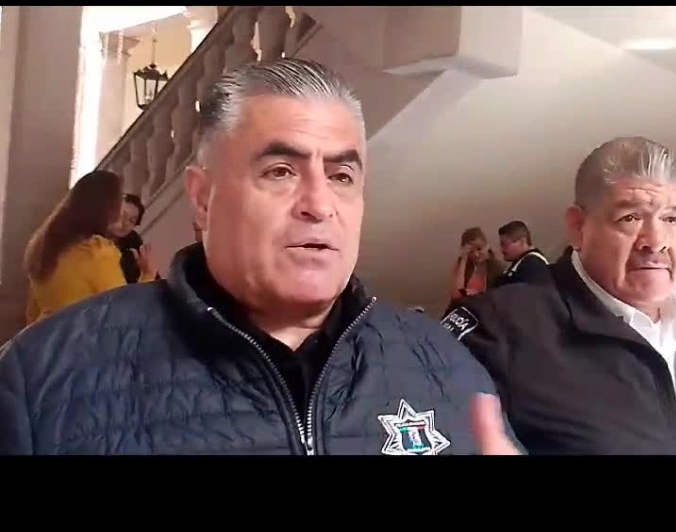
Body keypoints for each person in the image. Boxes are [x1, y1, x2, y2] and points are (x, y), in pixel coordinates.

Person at [0, 58, 519, 456]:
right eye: (280, 171)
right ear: (203, 198)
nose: (319, 204)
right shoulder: (41, 379)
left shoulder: (446, 364)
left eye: (341, 176)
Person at [441, 136, 676, 455]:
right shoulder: (498, 330)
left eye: (673, 219)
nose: (656, 241)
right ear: (578, 227)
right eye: (630, 218)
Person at [23, 171, 157, 325]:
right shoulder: (97, 252)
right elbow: (121, 313)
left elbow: (32, 313)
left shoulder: (44, 244)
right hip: (82, 337)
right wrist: (148, 275)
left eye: (132, 220)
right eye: (119, 198)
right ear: (108, 207)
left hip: (47, 335)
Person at [492, 220, 550, 287]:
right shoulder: (522, 262)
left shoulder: (533, 264)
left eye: (504, 244)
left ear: (522, 241)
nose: (501, 249)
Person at [111, 193, 149, 284]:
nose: (125, 223)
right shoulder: (91, 240)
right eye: (122, 215)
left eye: (132, 221)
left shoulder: (133, 244)